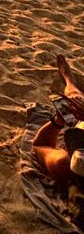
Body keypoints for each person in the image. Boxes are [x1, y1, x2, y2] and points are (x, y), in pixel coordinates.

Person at [33, 55, 84, 216]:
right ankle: (69, 80)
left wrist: (58, 120)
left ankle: (69, 81)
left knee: (74, 101)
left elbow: (39, 144)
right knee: (76, 101)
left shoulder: (64, 165)